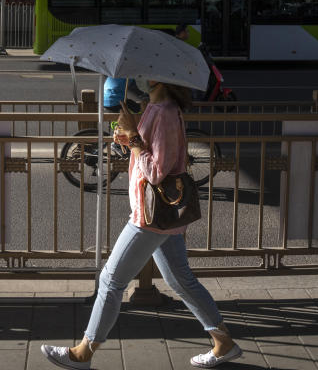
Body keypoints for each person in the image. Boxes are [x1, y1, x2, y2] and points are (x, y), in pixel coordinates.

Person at [41, 79, 242, 369]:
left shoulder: (164, 113)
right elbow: (140, 156)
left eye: (148, 72)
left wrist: (134, 137)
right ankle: (224, 343)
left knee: (111, 280)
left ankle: (83, 352)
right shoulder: (156, 108)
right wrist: (125, 136)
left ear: (158, 77)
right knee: (181, 280)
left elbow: (157, 172)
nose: (141, 77)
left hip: (150, 218)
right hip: (159, 216)